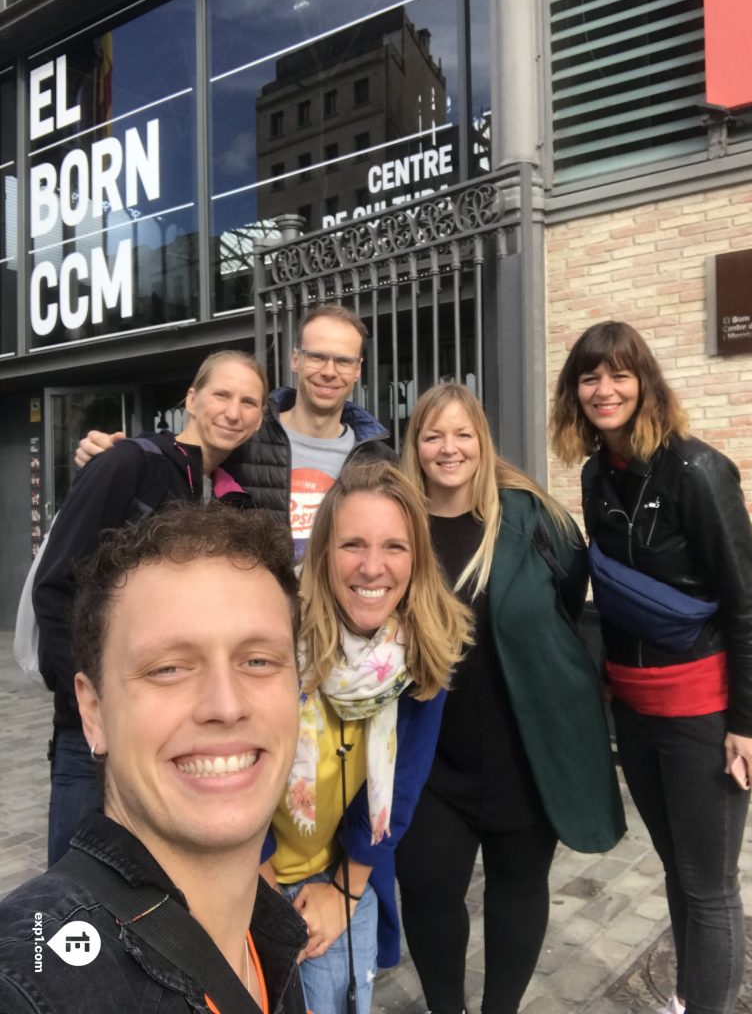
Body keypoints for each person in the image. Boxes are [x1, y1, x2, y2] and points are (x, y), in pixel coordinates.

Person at [0, 505, 308, 1013]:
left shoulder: (263, 937)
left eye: (258, 660)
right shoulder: (28, 984)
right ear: (93, 712)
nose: (225, 706)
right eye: (168, 669)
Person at [550, 320, 752, 1014]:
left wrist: (750, 724)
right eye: (589, 376)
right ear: (573, 391)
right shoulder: (595, 475)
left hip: (702, 712)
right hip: (636, 711)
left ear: (644, 382)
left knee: (709, 886)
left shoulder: (698, 471)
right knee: (676, 870)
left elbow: (746, 606)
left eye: (618, 374)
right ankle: (688, 995)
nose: (603, 389)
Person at [396, 382, 625, 1014]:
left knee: (518, 887)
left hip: (524, 749)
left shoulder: (535, 517)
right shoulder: (396, 518)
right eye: (433, 435)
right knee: (428, 890)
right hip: (427, 758)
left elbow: (566, 603)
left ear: (483, 441)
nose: (449, 448)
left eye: (462, 434)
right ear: (415, 444)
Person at [33, 349, 266, 865]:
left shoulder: (233, 496)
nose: (234, 411)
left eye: (249, 402)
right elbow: (54, 586)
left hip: (172, 730)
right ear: (191, 398)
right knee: (77, 900)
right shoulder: (128, 462)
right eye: (222, 394)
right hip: (96, 735)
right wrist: (91, 710)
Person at [260, 460, 473, 1014]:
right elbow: (236, 763)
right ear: (324, 551)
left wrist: (344, 891)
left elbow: (399, 790)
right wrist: (258, 897)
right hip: (244, 869)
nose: (372, 568)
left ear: (417, 558)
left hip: (340, 871)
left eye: (394, 547)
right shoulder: (276, 636)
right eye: (353, 544)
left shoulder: (423, 648)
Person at [76, 304, 395, 559]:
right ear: (296, 359)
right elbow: (181, 454)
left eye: (342, 361)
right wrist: (115, 455)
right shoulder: (244, 434)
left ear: (357, 370)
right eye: (317, 357)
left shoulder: (379, 458)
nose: (328, 371)